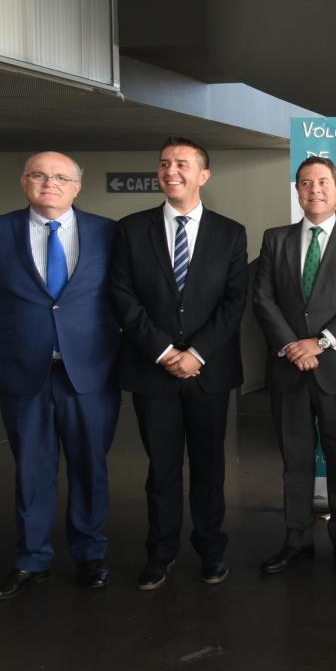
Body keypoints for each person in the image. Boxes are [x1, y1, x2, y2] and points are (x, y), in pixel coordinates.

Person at [0, 152, 121, 599]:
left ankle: (90, 553)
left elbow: (118, 297)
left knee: (90, 467)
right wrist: (29, 336)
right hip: (24, 373)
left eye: (60, 177)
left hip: (89, 373)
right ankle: (31, 558)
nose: (48, 183)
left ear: (77, 186)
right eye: (39, 175)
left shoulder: (107, 233)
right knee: (32, 470)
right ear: (23, 182)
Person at [109, 136, 248, 590]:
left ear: (203, 175)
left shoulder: (230, 232)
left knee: (210, 470)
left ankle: (211, 551)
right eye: (165, 163)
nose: (172, 171)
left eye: (183, 164)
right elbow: (123, 297)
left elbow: (233, 302)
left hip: (210, 373)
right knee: (161, 470)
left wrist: (197, 353)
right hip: (154, 372)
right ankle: (160, 553)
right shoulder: (131, 229)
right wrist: (166, 352)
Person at [252, 156, 336, 576]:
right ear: (298, 190)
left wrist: (319, 343)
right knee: (295, 459)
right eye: (306, 183)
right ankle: (296, 540)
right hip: (289, 370)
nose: (314, 190)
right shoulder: (276, 238)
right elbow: (263, 298)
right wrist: (292, 345)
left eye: (323, 182)